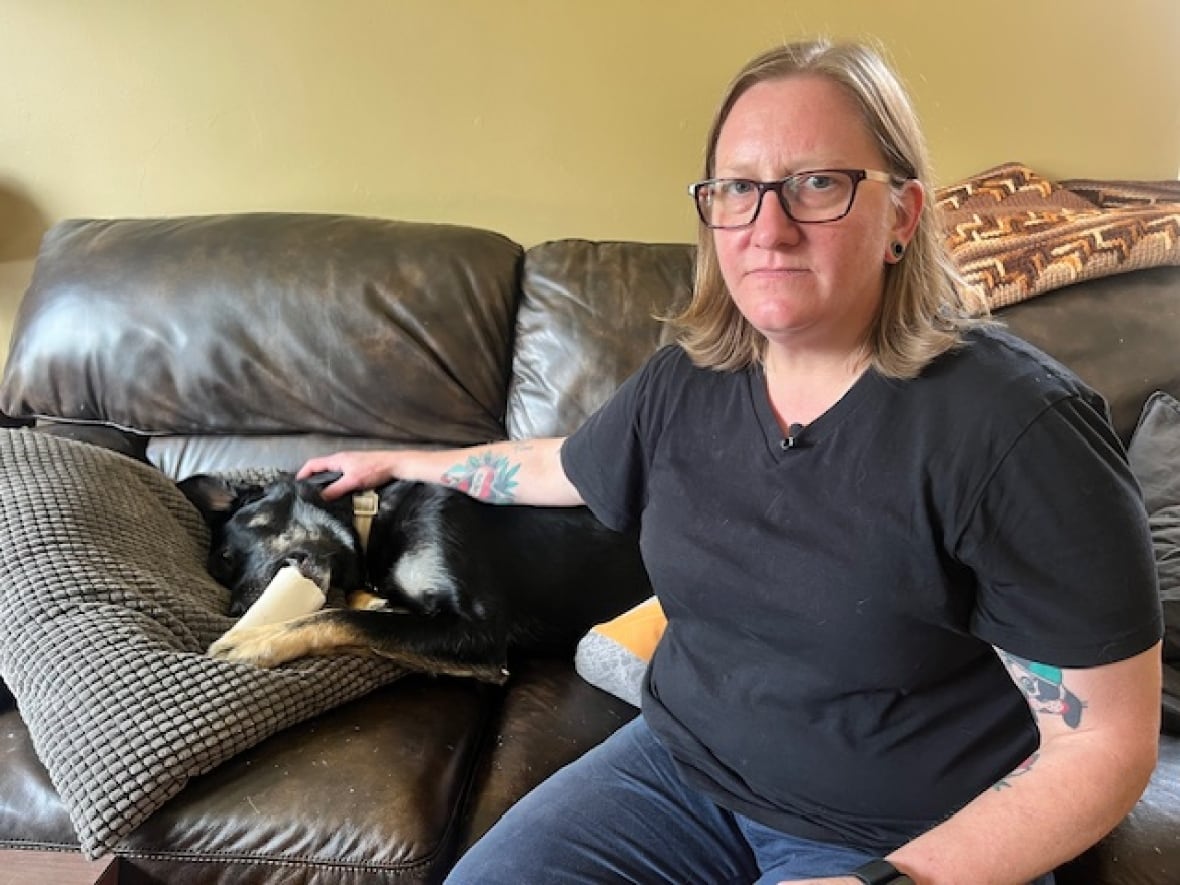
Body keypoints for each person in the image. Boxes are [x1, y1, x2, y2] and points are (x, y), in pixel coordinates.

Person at [299, 39, 1163, 885]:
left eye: (818, 184)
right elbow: (565, 464)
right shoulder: (690, 379)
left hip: (903, 833)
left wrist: (892, 878)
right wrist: (407, 460)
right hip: (676, 774)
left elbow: (1104, 743)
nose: (768, 227)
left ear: (901, 215)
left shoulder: (1019, 428)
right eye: (739, 190)